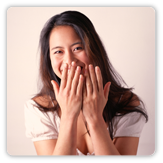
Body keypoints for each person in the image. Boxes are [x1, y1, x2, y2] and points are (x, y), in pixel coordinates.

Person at [24, 11, 148, 156]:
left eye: (77, 48)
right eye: (58, 51)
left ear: (94, 49)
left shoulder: (127, 104)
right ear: (49, 59)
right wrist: (69, 116)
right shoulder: (38, 109)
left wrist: (95, 118)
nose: (69, 60)